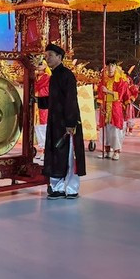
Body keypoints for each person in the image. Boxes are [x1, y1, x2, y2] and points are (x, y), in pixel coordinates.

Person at [37, 43, 85, 199]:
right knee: (55, 154)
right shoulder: (54, 76)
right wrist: (38, 101)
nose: (47, 58)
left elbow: (71, 100)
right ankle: (57, 187)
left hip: (67, 124)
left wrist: (71, 123)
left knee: (69, 156)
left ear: (59, 57)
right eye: (46, 55)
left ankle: (71, 188)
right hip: (55, 122)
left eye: (50, 55)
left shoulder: (67, 75)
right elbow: (53, 99)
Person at [97, 59, 128, 160]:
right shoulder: (103, 80)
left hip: (115, 109)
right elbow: (100, 96)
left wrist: (108, 91)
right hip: (105, 109)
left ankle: (116, 151)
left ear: (115, 67)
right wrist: (101, 106)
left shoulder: (121, 81)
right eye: (108, 66)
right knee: (105, 131)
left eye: (112, 66)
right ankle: (107, 150)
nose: (110, 68)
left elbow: (119, 96)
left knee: (115, 131)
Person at [34, 59, 51, 161]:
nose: (38, 66)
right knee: (37, 127)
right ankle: (41, 150)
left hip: (43, 103)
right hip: (36, 103)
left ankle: (45, 151)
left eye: (40, 64)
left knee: (43, 127)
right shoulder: (36, 77)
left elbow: (39, 87)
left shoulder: (47, 77)